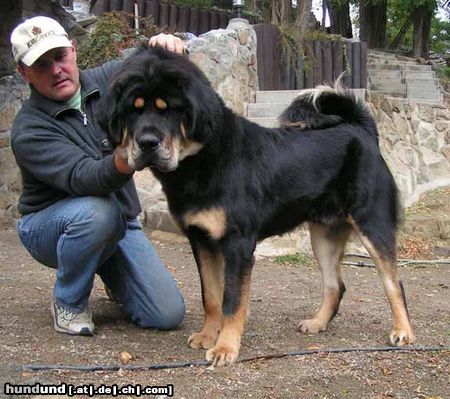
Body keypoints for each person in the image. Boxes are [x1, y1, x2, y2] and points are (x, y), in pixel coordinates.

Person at [9, 16, 186, 336]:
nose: (56, 70)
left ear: (74, 51)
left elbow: (143, 61)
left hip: (118, 220)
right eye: (41, 65)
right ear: (24, 73)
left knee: (167, 314)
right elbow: (83, 177)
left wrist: (165, 46)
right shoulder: (29, 130)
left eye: (60, 56)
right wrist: (131, 155)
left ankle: (108, 269)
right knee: (96, 212)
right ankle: (69, 302)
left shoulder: (109, 80)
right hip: (49, 226)